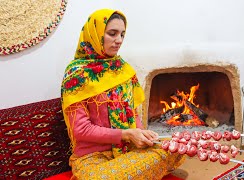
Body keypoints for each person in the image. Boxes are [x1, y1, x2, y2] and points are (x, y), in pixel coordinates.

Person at [61, 9, 184, 180]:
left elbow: (132, 113)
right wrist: (126, 134)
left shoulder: (123, 69)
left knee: (177, 148)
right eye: (112, 33)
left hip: (129, 149)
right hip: (93, 158)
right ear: (95, 34)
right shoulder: (76, 75)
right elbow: (81, 130)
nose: (119, 40)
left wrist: (142, 135)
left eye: (122, 34)